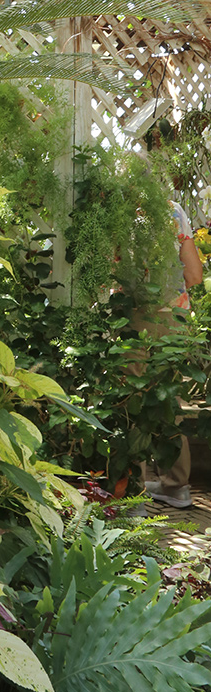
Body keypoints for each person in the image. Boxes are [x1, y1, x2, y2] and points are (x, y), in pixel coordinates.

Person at [141, 199, 203, 508]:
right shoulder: (173, 210)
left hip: (133, 313)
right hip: (174, 314)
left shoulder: (115, 208)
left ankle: (131, 493)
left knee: (132, 396)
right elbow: (194, 274)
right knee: (169, 398)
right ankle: (176, 486)